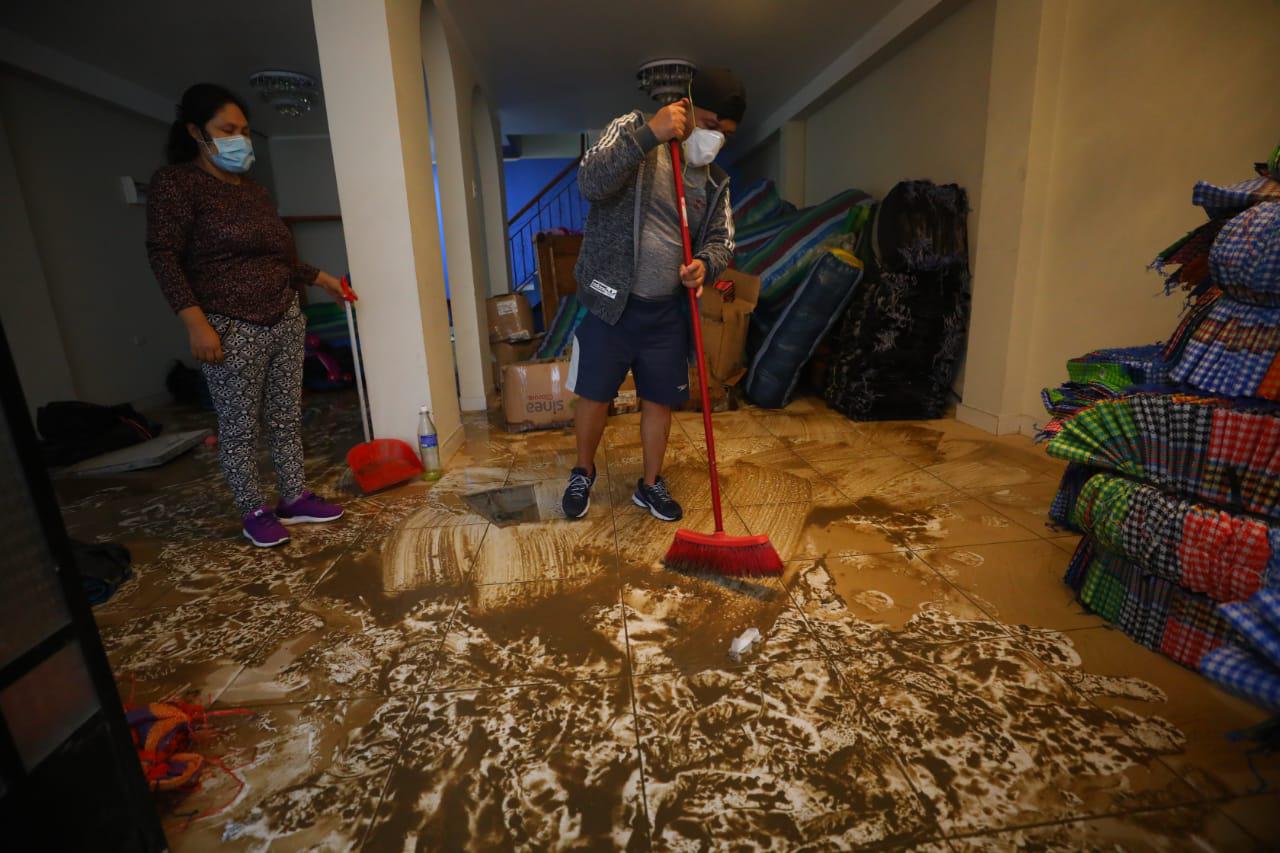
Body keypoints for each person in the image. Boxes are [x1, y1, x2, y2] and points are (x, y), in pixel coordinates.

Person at [146, 83, 347, 548]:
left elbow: (273, 257)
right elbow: (163, 255)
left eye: (244, 130)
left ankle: (293, 498)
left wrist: (322, 279)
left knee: (285, 416)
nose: (240, 139)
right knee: (239, 424)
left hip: (285, 315)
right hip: (230, 324)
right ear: (196, 132)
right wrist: (194, 321)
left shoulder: (254, 191)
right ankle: (253, 510)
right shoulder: (176, 184)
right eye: (227, 130)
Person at [562, 67, 746, 521]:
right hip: (611, 301)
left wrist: (706, 262)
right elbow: (590, 182)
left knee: (660, 399)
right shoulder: (633, 129)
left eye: (724, 133)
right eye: (708, 124)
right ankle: (582, 472)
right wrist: (649, 135)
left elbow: (723, 242)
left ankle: (649, 485)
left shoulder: (715, 180)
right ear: (685, 105)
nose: (715, 138)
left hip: (666, 311)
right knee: (594, 393)